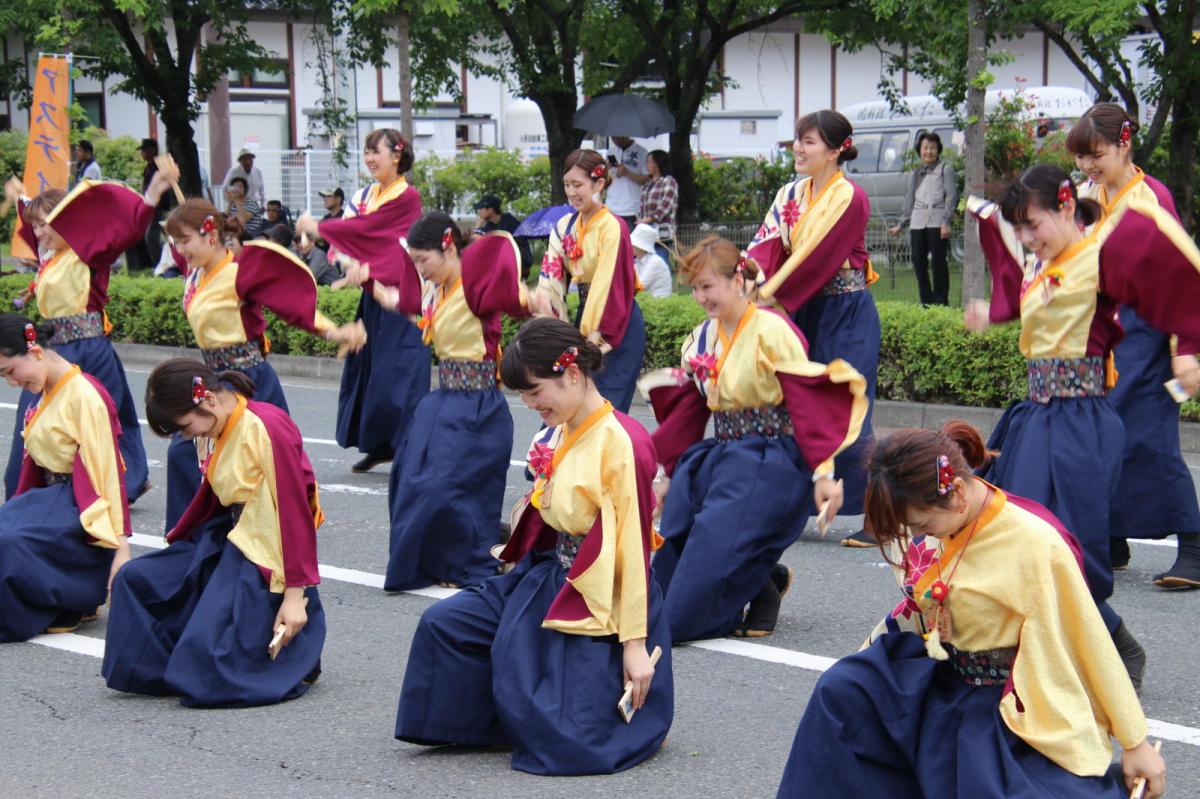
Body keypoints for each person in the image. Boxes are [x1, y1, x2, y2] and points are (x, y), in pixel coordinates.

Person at [776, 423, 1166, 798]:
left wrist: (1135, 742)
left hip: (1003, 704)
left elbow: (1089, 641)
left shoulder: (1034, 544)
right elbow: (912, 611)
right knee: (843, 691)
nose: (921, 535)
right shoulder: (940, 521)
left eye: (924, 524)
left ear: (958, 492)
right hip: (941, 672)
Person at [395, 317, 672, 775]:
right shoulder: (560, 426)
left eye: (535, 391)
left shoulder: (623, 442)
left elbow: (632, 549)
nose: (528, 404)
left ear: (573, 374)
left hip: (603, 594)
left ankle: (531, 718)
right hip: (547, 573)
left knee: (565, 737)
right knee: (444, 624)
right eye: (523, 395)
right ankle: (488, 725)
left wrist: (635, 646)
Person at [965, 162, 1200, 691]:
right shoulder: (1040, 263)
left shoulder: (1102, 255)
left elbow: (1172, 286)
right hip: (1035, 416)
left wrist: (1189, 348)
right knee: (1017, 538)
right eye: (1019, 229)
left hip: (1081, 420)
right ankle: (1046, 656)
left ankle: (1115, 644)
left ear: (1066, 205)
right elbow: (1030, 306)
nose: (1027, 238)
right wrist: (994, 312)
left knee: (1070, 544)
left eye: (1034, 224)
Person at [639, 238, 867, 640]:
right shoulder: (702, 337)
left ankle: (739, 585)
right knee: (679, 531)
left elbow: (805, 400)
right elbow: (692, 410)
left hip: (770, 456)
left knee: (683, 599)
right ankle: (762, 580)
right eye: (693, 287)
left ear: (738, 279)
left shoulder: (772, 329)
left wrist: (824, 474)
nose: (699, 296)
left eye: (707, 285)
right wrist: (666, 474)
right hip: (724, 452)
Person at [102, 359, 326, 707]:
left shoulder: (266, 427)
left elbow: (295, 514)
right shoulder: (214, 426)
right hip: (227, 538)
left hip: (266, 552)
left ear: (206, 399)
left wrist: (296, 597)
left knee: (203, 663)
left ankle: (296, 656)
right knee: (134, 579)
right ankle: (176, 665)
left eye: (187, 426)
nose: (189, 435)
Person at [160, 190, 365, 531]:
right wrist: (161, 187)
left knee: (269, 457)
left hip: (245, 381)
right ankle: (192, 534)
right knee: (187, 451)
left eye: (185, 241)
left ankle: (283, 530)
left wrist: (335, 332)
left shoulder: (239, 272)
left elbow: (291, 306)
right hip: (211, 379)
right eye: (176, 243)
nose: (181, 251)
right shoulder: (196, 271)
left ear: (211, 235)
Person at [344, 213, 528, 590]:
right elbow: (402, 303)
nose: (418, 269)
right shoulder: (437, 289)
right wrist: (368, 281)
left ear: (447, 247)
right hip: (442, 399)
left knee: (452, 485)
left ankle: (470, 561)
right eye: (413, 261)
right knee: (409, 479)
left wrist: (538, 299)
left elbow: (516, 297)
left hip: (477, 405)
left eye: (422, 260)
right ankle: (440, 560)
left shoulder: (477, 285)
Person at [1066, 102, 1200, 588]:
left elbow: (1185, 274)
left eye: (1095, 154)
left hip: (1150, 330)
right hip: (1102, 334)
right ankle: (1112, 538)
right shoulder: (1087, 195)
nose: (1087, 165)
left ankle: (1194, 544)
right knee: (1101, 438)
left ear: (1125, 144)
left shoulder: (1152, 197)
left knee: (1151, 440)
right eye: (1082, 157)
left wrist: (1186, 348)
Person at [748, 110, 881, 548]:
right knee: (797, 404)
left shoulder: (850, 197)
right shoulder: (791, 193)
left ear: (837, 149)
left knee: (848, 403)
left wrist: (767, 297)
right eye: (797, 140)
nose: (798, 149)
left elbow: (815, 258)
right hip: (802, 309)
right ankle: (795, 502)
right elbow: (766, 244)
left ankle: (879, 513)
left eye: (809, 142)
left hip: (844, 309)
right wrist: (744, 281)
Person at [2, 173, 168, 502]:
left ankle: (122, 485)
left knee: (104, 420)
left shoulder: (87, 253)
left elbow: (126, 233)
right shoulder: (51, 254)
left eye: (45, 225)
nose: (39, 234)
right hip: (51, 350)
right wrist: (22, 199)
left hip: (89, 350)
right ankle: (26, 487)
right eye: (35, 227)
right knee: (33, 416)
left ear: (66, 220)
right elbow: (36, 224)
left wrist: (153, 193)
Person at [295, 128, 430, 475]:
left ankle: (408, 448)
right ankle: (379, 444)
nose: (370, 158)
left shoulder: (407, 197)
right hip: (373, 296)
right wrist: (350, 263)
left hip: (402, 298)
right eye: (367, 152)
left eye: (376, 152)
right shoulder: (363, 196)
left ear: (396, 156)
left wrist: (328, 234)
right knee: (369, 372)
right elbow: (352, 236)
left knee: (400, 375)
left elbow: (388, 241)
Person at [0, 315, 131, 642]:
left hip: (78, 507)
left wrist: (121, 545)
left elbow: (107, 470)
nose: (11, 383)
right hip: (52, 499)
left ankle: (68, 598)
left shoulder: (84, 395)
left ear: (35, 351)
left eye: (10, 372)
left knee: (10, 542)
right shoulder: (47, 388)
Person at [534, 149, 646, 413]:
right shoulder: (564, 226)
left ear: (599, 183)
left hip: (617, 320)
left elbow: (609, 285)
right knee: (569, 406)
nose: (572, 192)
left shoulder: (613, 227)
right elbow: (551, 279)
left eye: (578, 185)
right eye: (567, 185)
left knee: (604, 409)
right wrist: (552, 329)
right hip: (587, 318)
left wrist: (592, 337)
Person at [889, 131, 957, 306]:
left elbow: (952, 196)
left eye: (933, 148)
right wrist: (901, 224)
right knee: (918, 263)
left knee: (938, 264)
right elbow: (909, 199)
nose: (929, 151)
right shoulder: (916, 172)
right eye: (925, 147)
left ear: (938, 150)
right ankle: (926, 302)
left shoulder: (945, 169)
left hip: (937, 221)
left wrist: (946, 221)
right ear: (920, 149)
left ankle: (941, 302)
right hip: (917, 223)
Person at [474, 193, 532, 270]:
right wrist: (478, 224)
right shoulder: (489, 226)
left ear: (490, 209)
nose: (479, 211)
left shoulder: (510, 222)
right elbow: (474, 242)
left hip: (520, 264)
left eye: (481, 208)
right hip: (502, 267)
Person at [607, 136, 650, 230]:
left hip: (631, 209)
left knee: (630, 242)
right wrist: (606, 170)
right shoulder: (611, 152)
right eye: (613, 138)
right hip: (611, 206)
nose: (616, 141)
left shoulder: (642, 152)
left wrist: (627, 173)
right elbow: (606, 181)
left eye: (619, 137)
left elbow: (646, 179)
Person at [637, 149, 678, 246]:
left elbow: (665, 207)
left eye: (650, 162)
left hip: (662, 234)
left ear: (658, 164)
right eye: (647, 162)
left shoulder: (668, 181)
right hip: (647, 234)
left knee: (661, 258)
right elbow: (641, 206)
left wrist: (649, 219)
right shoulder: (647, 185)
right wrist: (639, 218)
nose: (647, 165)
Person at [629, 223, 673, 298]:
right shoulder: (638, 261)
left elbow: (639, 287)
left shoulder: (655, 262)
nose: (629, 246)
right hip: (646, 300)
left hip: (657, 304)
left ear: (640, 247)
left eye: (632, 244)